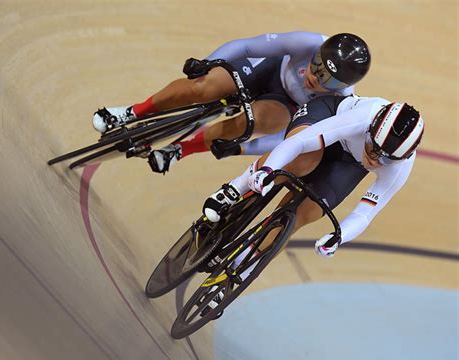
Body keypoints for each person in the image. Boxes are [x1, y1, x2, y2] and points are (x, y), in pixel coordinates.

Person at [92, 32, 371, 173]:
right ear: (318, 52)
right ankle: (132, 112)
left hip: (285, 106)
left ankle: (181, 149)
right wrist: (209, 61)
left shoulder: (340, 103)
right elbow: (248, 46)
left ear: (343, 88)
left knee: (250, 123)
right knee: (203, 88)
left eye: (329, 81)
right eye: (317, 65)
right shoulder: (306, 41)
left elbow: (288, 142)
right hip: (269, 71)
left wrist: (241, 148)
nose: (315, 77)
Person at [202, 94, 424, 262]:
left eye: (386, 161)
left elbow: (365, 213)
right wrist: (268, 170)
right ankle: (234, 189)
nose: (375, 161)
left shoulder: (401, 166)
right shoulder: (362, 118)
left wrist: (338, 238)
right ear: (370, 131)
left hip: (349, 163)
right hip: (328, 117)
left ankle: (240, 268)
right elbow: (299, 143)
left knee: (308, 211)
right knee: (302, 161)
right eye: (373, 149)